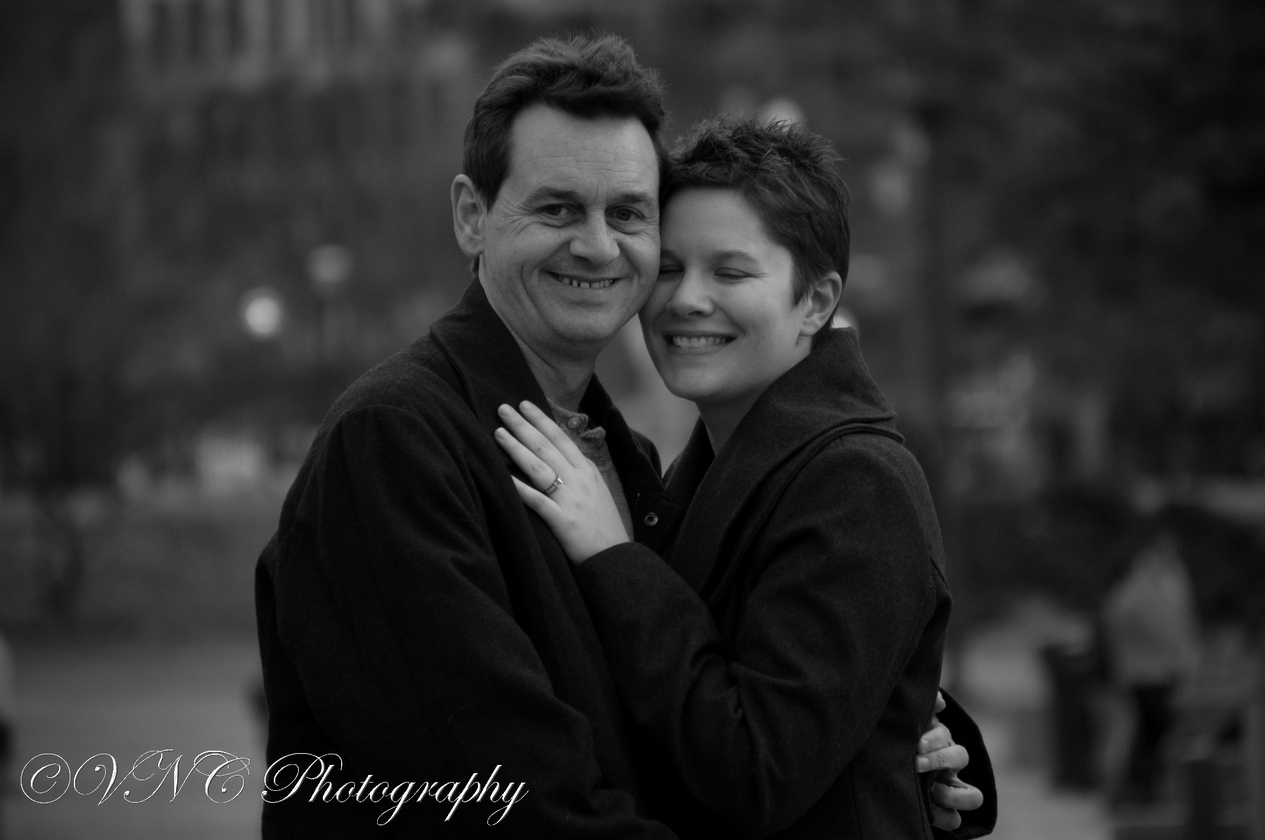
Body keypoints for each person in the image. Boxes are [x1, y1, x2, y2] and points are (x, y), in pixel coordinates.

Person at [255, 34, 989, 837]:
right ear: (471, 217)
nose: (599, 246)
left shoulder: (627, 463)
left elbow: (709, 712)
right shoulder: (397, 442)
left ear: (816, 300)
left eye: (629, 214)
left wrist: (890, 736)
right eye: (557, 208)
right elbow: (516, 804)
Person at [495, 116, 992, 838]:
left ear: (815, 301)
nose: (686, 299)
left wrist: (613, 559)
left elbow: (759, 771)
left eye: (730, 272)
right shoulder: (707, 468)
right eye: (669, 268)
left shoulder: (857, 482)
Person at [1101, 525, 1199, 804]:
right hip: (1146, 673)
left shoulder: (1170, 579)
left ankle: (1143, 788)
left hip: (1159, 670)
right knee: (1152, 732)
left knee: (1151, 733)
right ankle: (1139, 788)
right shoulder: (1142, 583)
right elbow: (1128, 616)